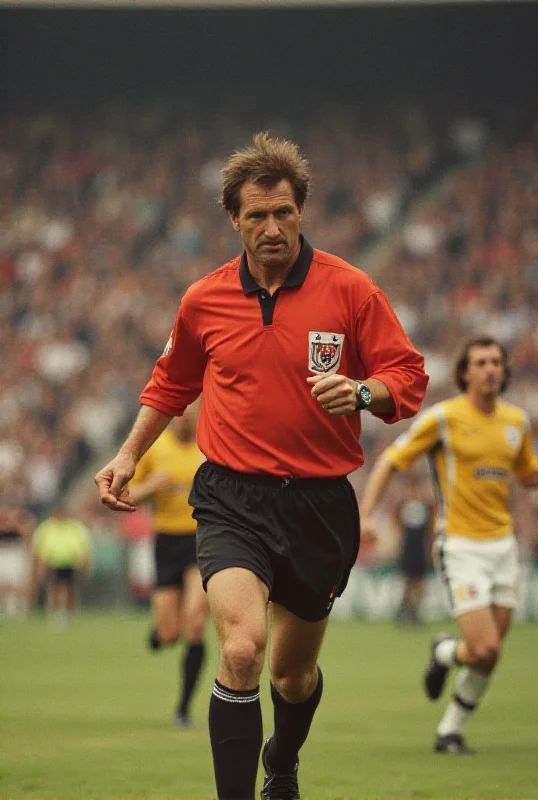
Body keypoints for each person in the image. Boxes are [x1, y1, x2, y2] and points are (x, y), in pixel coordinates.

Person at [95, 131, 428, 800]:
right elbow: (169, 384)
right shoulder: (204, 300)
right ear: (233, 219)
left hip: (319, 504)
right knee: (241, 649)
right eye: (257, 215)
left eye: (284, 213)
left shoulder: (352, 290)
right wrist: (128, 453)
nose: (272, 227)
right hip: (230, 497)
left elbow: (408, 376)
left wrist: (365, 391)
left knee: (291, 677)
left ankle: (284, 759)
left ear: (301, 212)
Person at [360, 334, 538, 755]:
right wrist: (365, 514)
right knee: (483, 646)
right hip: (460, 546)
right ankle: (446, 651)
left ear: (504, 371)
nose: (490, 369)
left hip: (504, 547)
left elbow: (528, 473)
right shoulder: (443, 419)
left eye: (496, 362)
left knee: (488, 653)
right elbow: (391, 460)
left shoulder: (516, 422)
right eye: (481, 362)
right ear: (465, 372)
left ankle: (450, 724)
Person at [127, 407, 209, 728]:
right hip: (166, 543)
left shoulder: (209, 449)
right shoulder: (156, 449)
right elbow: (127, 493)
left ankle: (183, 709)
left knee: (196, 622)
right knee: (170, 633)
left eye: (189, 415)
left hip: (201, 540)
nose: (183, 420)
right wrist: (151, 487)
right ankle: (161, 633)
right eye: (179, 415)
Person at [32, 504, 93, 628]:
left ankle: (70, 614)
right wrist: (39, 565)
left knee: (71, 589)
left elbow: (84, 547)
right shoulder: (47, 527)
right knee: (54, 589)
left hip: (70, 562)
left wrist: (85, 564)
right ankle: (54, 614)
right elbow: (39, 547)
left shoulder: (76, 527)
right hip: (52, 562)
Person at [391, 474, 434, 625]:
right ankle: (405, 610)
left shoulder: (427, 506)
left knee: (419, 582)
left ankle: (414, 611)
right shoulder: (404, 504)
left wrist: (429, 547)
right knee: (409, 581)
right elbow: (398, 525)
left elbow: (429, 530)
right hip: (409, 547)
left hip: (420, 547)